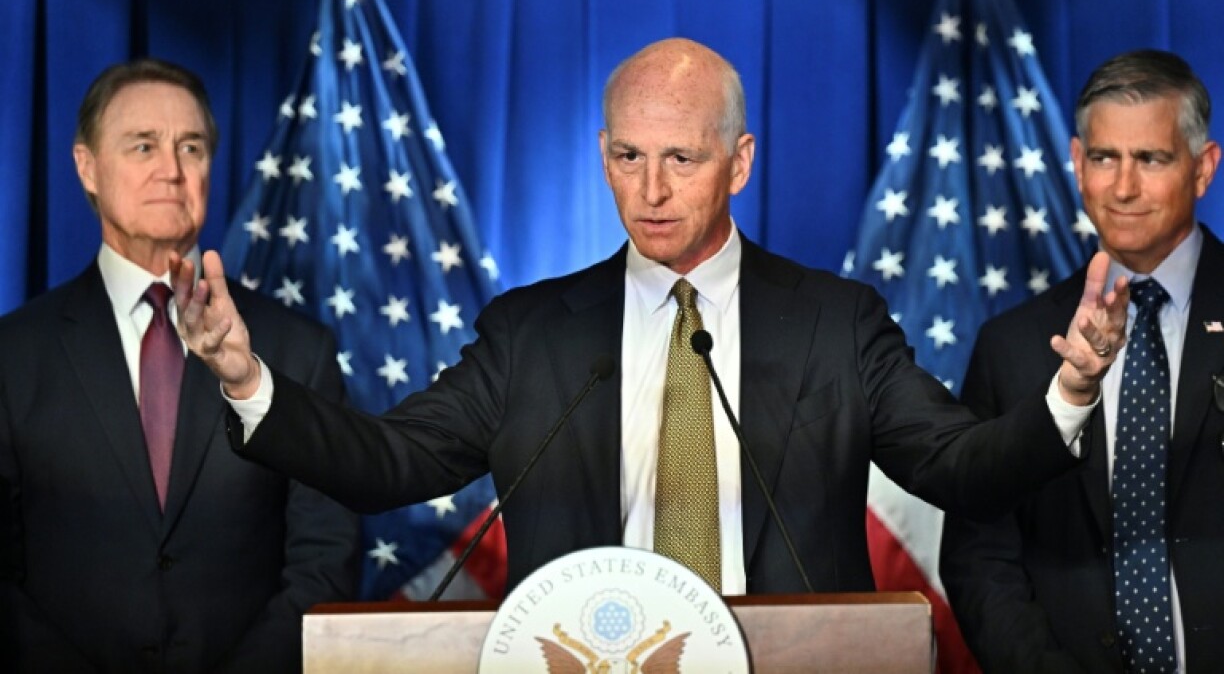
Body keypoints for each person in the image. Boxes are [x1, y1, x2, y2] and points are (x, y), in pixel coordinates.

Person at [176, 37, 1125, 597]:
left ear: (740, 163)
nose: (651, 189)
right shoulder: (533, 332)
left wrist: (1070, 395)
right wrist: (247, 382)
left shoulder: (836, 322)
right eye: (628, 157)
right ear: (602, 153)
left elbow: (957, 467)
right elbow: (387, 466)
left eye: (681, 158)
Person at [0, 59, 359, 673]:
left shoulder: (299, 350)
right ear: (87, 167)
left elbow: (325, 558)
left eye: (189, 147)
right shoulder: (13, 355)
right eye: (143, 145)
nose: (170, 170)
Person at [939, 49, 1224, 673]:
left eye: (1151, 159)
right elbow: (980, 558)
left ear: (1203, 169)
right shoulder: (1011, 346)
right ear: (1076, 163)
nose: (1123, 187)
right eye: (1104, 158)